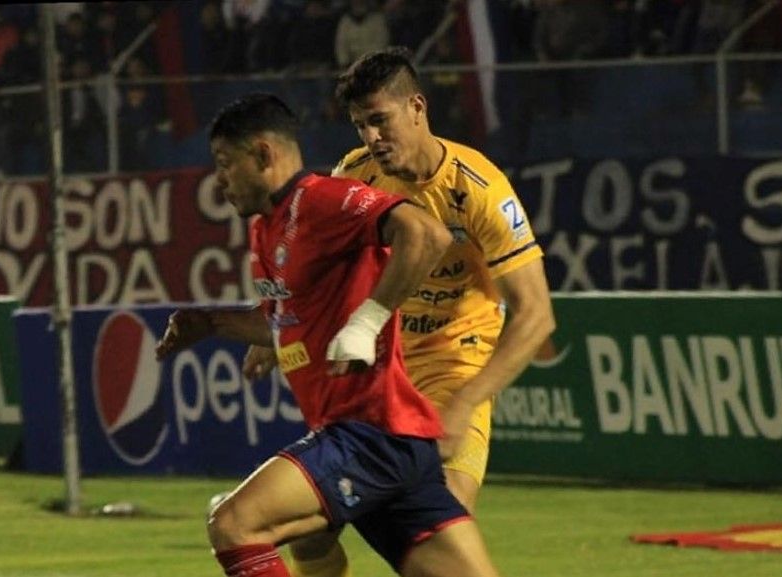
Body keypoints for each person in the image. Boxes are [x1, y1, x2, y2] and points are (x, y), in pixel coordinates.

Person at [235, 47, 556, 577]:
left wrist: (466, 401)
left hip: (455, 366)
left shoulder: (479, 189)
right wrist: (272, 322)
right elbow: (319, 271)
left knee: (445, 515)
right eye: (360, 125)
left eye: (380, 121)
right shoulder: (355, 174)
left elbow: (536, 315)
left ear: (417, 108)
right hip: (382, 370)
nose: (370, 138)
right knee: (310, 531)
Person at [156, 93, 500, 577]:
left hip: (370, 432)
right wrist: (211, 323)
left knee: (235, 524)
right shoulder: (267, 231)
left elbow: (426, 235)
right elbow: (288, 323)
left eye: (225, 163)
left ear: (263, 154)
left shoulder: (323, 199)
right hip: (394, 444)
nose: (220, 179)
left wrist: (368, 321)